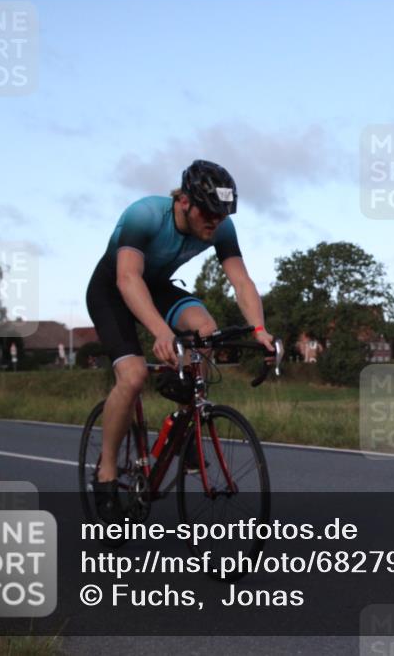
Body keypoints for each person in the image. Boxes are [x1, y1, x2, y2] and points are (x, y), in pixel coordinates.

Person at [85, 159, 275, 522]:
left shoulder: (220, 226)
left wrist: (259, 330)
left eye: (223, 215)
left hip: (156, 289)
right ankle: (106, 472)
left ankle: (185, 426)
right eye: (209, 213)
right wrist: (161, 332)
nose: (215, 222)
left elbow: (242, 282)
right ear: (185, 202)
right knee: (134, 376)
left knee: (205, 328)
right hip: (113, 290)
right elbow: (127, 279)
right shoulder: (145, 215)